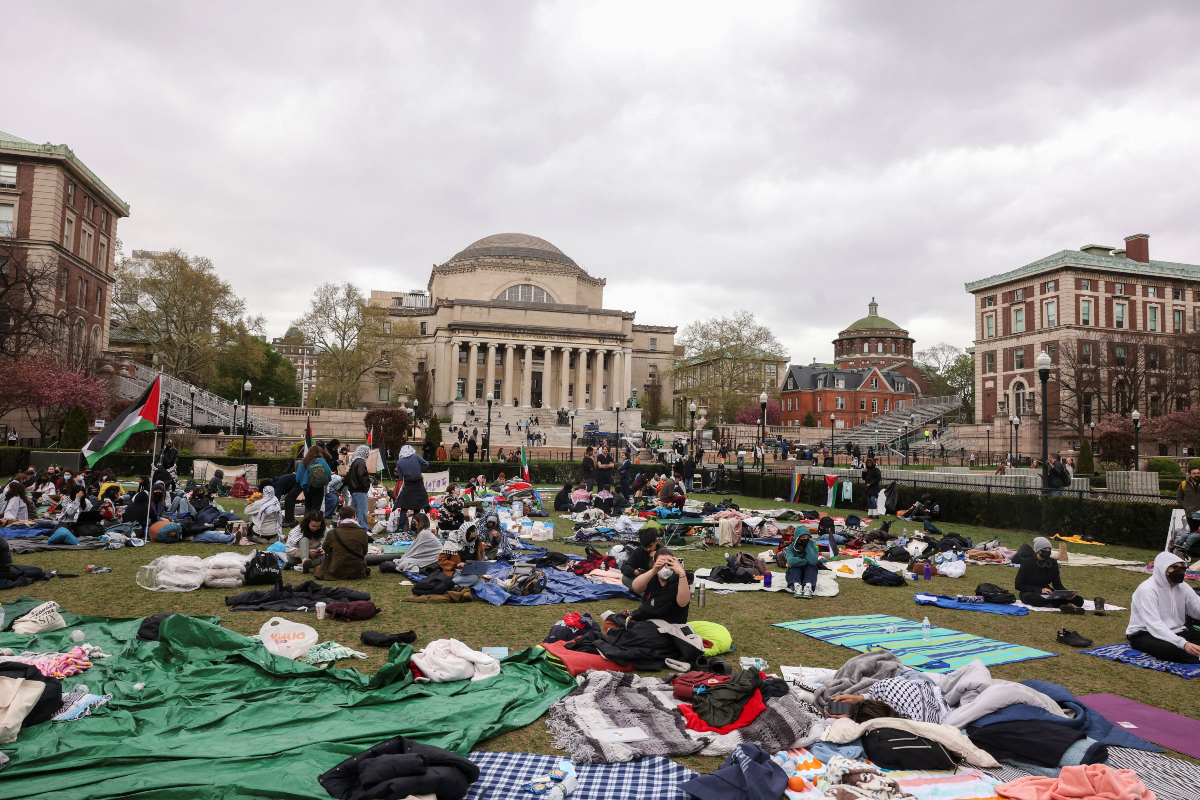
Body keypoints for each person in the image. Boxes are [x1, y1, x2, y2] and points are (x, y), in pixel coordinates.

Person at [1126, 551, 1200, 664]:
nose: (1179, 572)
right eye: (1174, 568)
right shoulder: (1148, 590)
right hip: (1145, 633)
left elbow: (1197, 609)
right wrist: (1183, 644)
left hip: (1177, 631)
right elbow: (1154, 624)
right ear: (1162, 568)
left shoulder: (1183, 587)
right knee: (1172, 650)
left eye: (1181, 568)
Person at [826, 671, 950, 724]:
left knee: (900, 672)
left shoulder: (895, 727)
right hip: (927, 689)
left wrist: (851, 717)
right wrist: (860, 699)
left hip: (919, 684)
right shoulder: (885, 687)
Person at [1014, 536, 1084, 612]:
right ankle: (1063, 604)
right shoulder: (1027, 562)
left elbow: (1057, 584)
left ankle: (1062, 604)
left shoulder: (1053, 563)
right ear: (1038, 550)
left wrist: (1067, 594)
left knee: (1079, 600)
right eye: (1045, 549)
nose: (1047, 551)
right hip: (1031, 592)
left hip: (1048, 593)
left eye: (1049, 549)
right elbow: (1018, 585)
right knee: (1031, 598)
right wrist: (1039, 590)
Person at [630, 548, 690, 624]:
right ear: (654, 564)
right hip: (648, 621)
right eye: (661, 563)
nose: (665, 567)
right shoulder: (652, 577)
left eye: (668, 563)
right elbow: (636, 588)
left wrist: (681, 573)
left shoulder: (680, 580)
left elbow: (683, 602)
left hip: (672, 625)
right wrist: (654, 570)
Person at [314, 506, 369, 580]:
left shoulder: (332, 533)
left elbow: (325, 550)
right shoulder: (363, 532)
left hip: (336, 571)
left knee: (324, 558)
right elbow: (364, 552)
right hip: (357, 572)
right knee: (363, 560)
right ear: (353, 517)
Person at [393, 444, 430, 532]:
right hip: (419, 484)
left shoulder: (399, 462)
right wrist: (419, 471)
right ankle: (414, 528)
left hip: (408, 484)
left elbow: (401, 478)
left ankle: (401, 527)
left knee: (404, 507)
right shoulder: (416, 457)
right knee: (417, 507)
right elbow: (426, 464)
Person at [784, 529, 821, 598]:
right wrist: (806, 561)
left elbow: (813, 561)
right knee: (795, 566)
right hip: (794, 576)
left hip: (807, 575)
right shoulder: (790, 548)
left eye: (807, 537)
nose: (806, 539)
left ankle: (808, 587)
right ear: (797, 538)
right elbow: (791, 562)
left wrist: (808, 547)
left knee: (812, 566)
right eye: (803, 537)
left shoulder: (812, 546)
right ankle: (797, 587)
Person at [298, 445, 333, 517]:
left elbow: (298, 476)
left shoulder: (304, 461)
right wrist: (326, 481)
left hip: (306, 487)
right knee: (316, 507)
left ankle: (306, 522)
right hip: (318, 485)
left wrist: (301, 483)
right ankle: (313, 521)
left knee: (308, 506)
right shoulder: (321, 461)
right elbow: (328, 472)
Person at [344, 445, 372, 529]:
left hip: (353, 489)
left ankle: (346, 524)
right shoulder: (361, 462)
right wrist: (367, 484)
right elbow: (361, 475)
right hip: (360, 489)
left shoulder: (354, 461)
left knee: (351, 510)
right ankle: (364, 528)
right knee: (362, 510)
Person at [1174, 466, 1200, 556]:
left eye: (1198, 473)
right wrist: (1185, 506)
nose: (1197, 475)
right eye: (1194, 473)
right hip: (1191, 514)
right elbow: (1179, 497)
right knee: (1194, 533)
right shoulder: (1184, 484)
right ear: (1190, 474)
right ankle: (1193, 552)